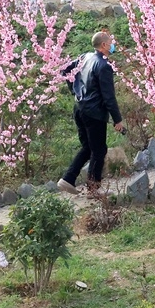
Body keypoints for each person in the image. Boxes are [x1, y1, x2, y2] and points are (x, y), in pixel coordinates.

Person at [57, 32, 124, 194]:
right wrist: (117, 119)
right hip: (94, 113)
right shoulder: (104, 66)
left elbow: (65, 70)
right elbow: (109, 97)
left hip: (80, 108)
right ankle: (93, 189)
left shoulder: (84, 57)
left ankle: (68, 179)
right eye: (110, 42)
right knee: (99, 150)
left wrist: (75, 90)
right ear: (104, 45)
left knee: (88, 147)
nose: (113, 44)